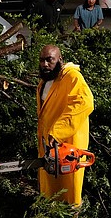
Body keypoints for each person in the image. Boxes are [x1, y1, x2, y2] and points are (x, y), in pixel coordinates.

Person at [37, 45, 94, 204]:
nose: (45, 64)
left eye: (50, 60)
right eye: (42, 60)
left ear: (60, 60)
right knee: (50, 184)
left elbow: (83, 103)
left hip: (67, 144)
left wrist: (58, 132)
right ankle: (50, 214)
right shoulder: (45, 81)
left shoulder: (72, 76)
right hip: (49, 142)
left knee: (69, 188)